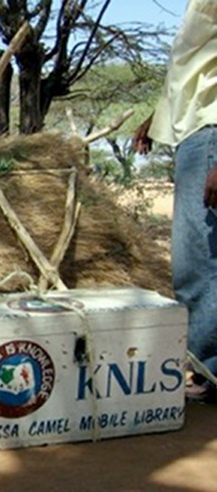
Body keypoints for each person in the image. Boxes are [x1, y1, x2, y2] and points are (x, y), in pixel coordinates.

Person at [134, 0, 216, 402]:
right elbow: (193, 73)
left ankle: (210, 371)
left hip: (210, 135)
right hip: (197, 132)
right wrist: (158, 118)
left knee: (199, 262)